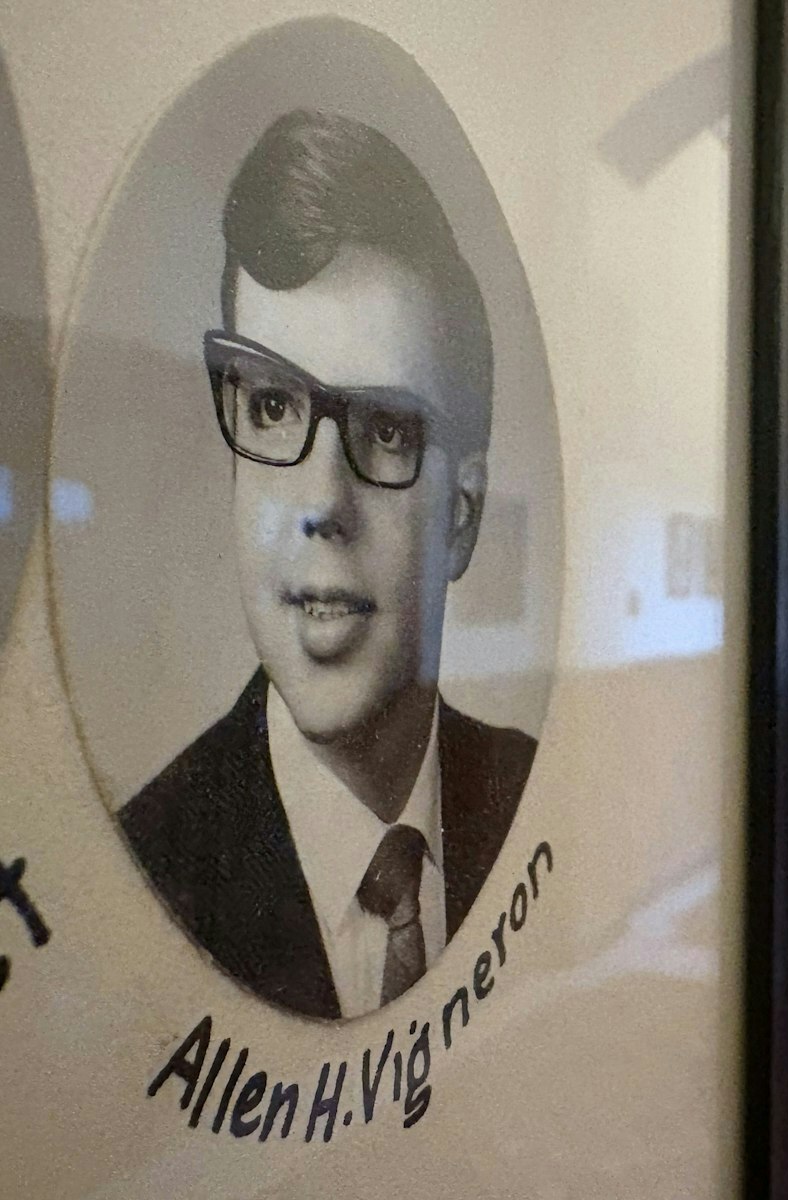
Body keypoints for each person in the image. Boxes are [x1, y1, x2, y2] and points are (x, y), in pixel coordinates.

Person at [119, 109, 535, 1021]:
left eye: (385, 430)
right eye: (272, 406)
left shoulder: (535, 804)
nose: (321, 503)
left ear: (460, 518)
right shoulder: (143, 874)